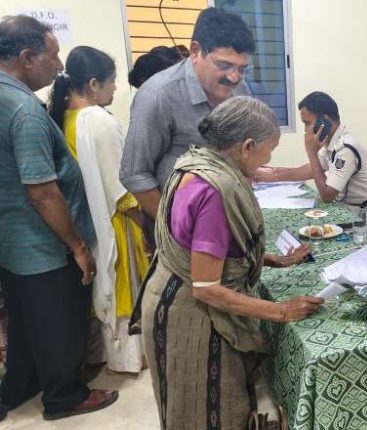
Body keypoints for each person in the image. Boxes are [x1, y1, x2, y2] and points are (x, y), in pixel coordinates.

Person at [132, 96, 321, 429]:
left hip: (168, 295)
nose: (269, 160)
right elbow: (207, 288)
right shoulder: (215, 190)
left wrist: (271, 259)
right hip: (191, 316)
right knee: (208, 411)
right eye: (269, 150)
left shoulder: (194, 163)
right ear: (247, 147)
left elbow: (205, 250)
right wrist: (281, 311)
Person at [0, 15, 117, 421]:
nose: (60, 65)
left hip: (12, 241)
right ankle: (64, 395)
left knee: (25, 320)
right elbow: (42, 191)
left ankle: (19, 386)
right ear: (27, 57)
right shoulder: (24, 111)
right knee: (59, 320)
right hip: (42, 244)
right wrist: (78, 246)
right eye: (52, 56)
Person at [48, 46, 150, 374]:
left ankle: (101, 354)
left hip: (85, 219)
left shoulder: (63, 116)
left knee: (100, 289)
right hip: (114, 220)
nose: (116, 88)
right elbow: (121, 188)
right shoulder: (99, 122)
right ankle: (127, 357)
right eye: (112, 81)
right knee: (123, 283)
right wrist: (148, 225)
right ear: (93, 84)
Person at [120, 7, 255, 241]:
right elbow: (135, 174)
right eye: (224, 65)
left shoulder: (240, 90)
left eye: (241, 68)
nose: (234, 77)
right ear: (195, 51)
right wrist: (180, 230)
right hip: (177, 230)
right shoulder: (157, 96)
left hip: (228, 219)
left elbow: (244, 149)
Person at [255, 91, 367, 210]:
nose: (305, 129)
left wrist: (311, 151)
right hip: (351, 207)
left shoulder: (346, 148)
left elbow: (327, 196)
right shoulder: (332, 142)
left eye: (307, 123)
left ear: (325, 121)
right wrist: (274, 174)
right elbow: (310, 170)